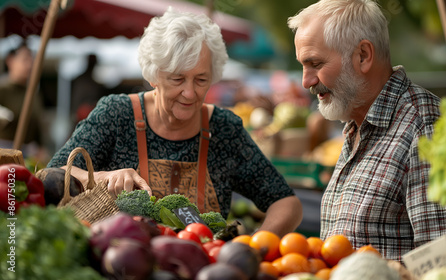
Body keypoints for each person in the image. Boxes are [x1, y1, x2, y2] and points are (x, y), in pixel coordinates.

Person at [47, 8, 303, 237]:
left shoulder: (224, 129)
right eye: (178, 80)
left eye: (201, 80)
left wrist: (257, 244)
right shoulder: (116, 114)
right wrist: (102, 176)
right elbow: (53, 172)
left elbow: (286, 202)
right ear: (154, 75)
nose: (190, 93)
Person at [288, 0, 446, 271]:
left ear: (363, 55)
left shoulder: (426, 128)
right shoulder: (357, 124)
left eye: (315, 63)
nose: (306, 81)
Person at [0, 41, 44, 150]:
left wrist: (40, 148)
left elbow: (37, 126)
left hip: (29, 152)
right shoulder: (2, 90)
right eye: (24, 60)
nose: (29, 65)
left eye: (31, 60)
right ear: (10, 61)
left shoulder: (33, 93)